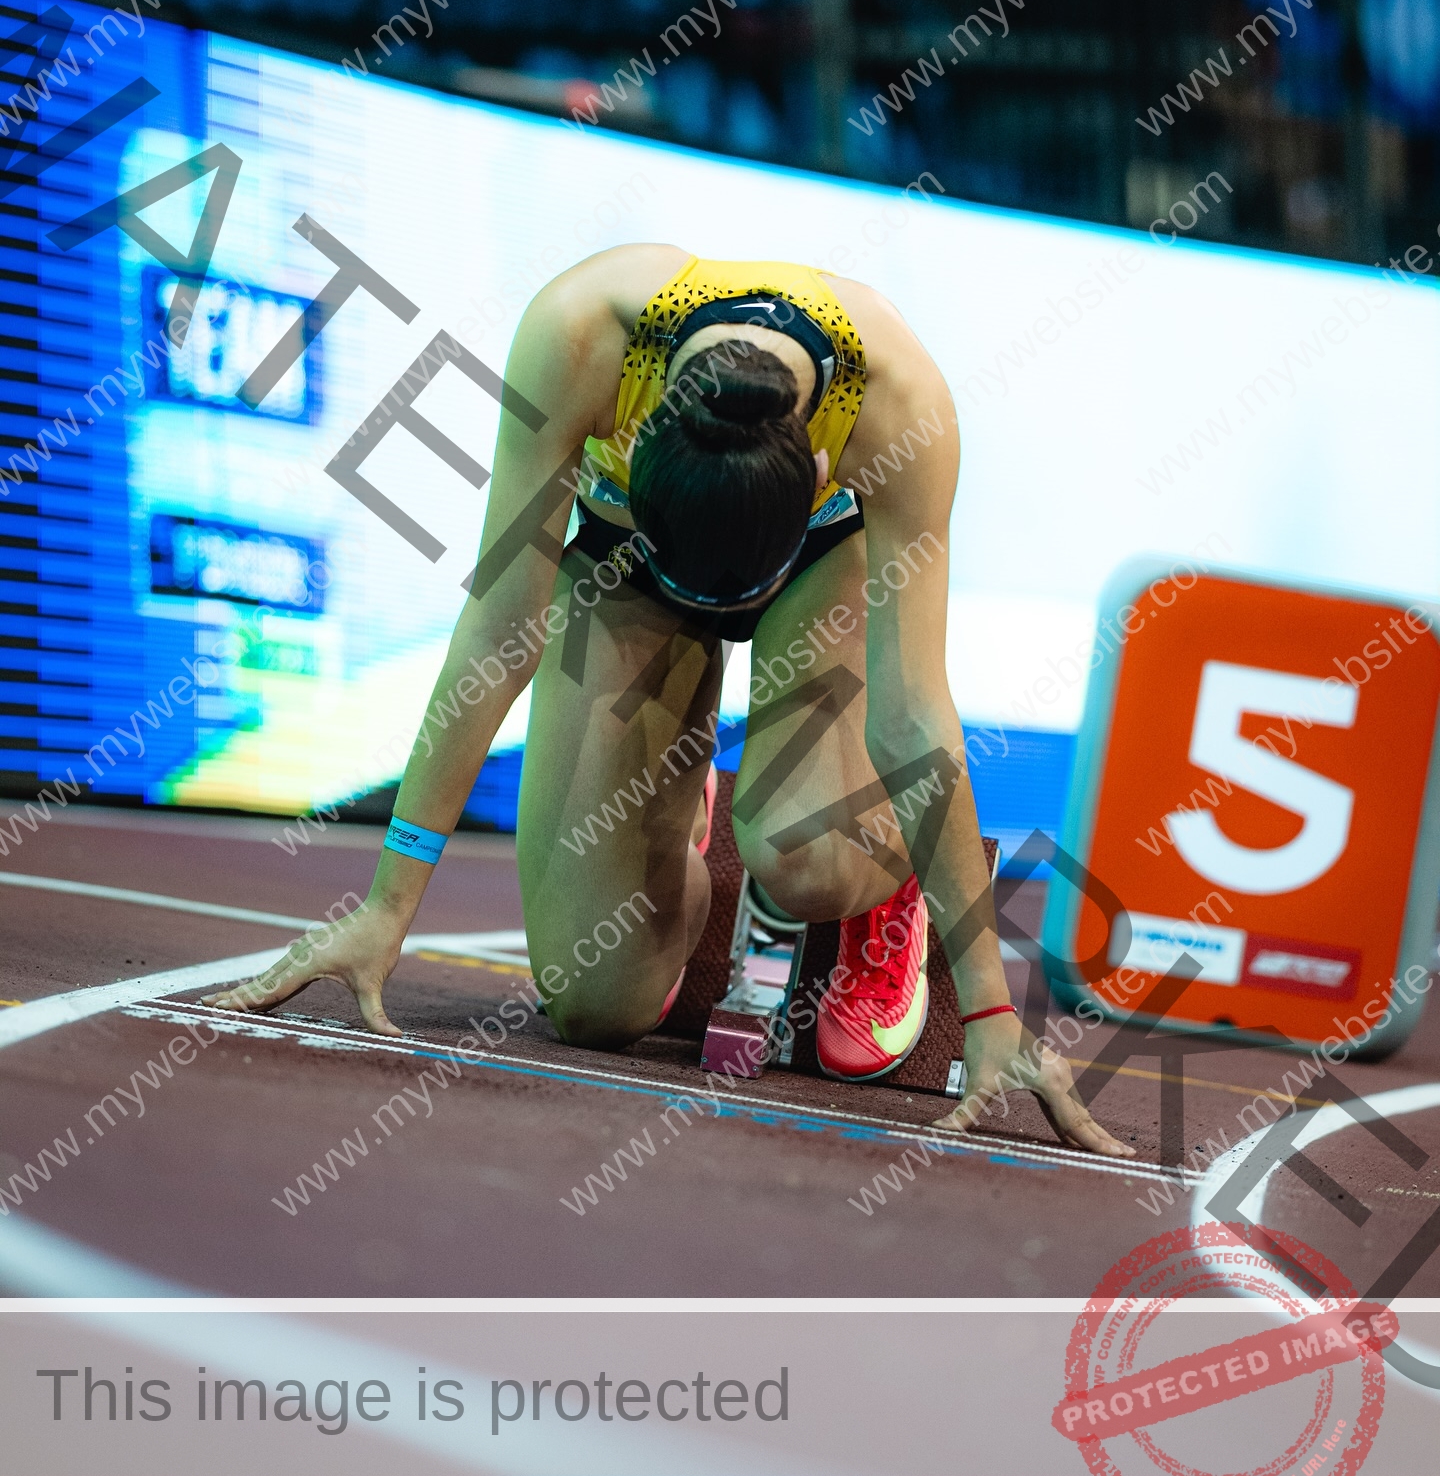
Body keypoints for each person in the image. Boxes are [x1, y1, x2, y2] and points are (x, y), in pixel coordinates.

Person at [205, 246, 1130, 1152]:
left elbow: (911, 714)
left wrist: (991, 1005)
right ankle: (669, 810)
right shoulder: (577, 335)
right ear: (639, 438)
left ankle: (877, 891)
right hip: (629, 565)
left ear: (817, 469)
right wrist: (386, 904)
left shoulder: (899, 407)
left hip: (815, 568)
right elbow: (500, 631)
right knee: (594, 1002)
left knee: (801, 855)